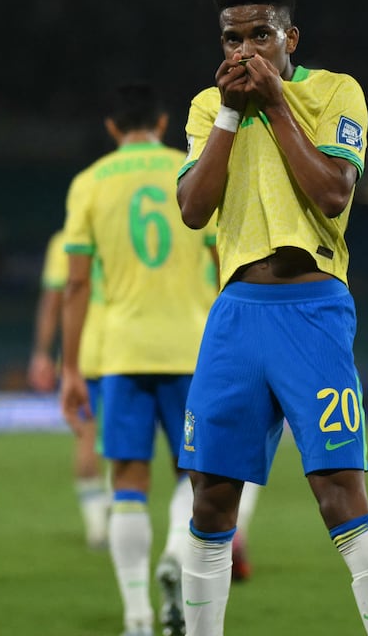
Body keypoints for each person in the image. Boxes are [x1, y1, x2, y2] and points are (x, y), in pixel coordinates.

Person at [175, 0, 368, 636]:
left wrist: (275, 103)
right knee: (211, 498)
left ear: (290, 38)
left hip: (313, 312)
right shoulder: (205, 108)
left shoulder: (336, 92)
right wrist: (230, 111)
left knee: (340, 495)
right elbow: (194, 209)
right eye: (230, 40)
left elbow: (334, 193)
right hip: (235, 316)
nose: (243, 52)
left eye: (259, 35)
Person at [60, 83, 218, 636]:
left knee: (126, 478)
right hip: (193, 351)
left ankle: (136, 617)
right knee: (195, 474)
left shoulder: (89, 184)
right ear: (163, 120)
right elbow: (227, 260)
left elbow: (76, 285)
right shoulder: (192, 167)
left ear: (111, 127)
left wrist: (71, 369)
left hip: (122, 351)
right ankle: (176, 553)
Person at [30, 230, 110, 549]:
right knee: (128, 444)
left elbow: (53, 300)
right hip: (129, 353)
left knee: (86, 441)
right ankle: (118, 514)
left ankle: (97, 528)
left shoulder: (64, 241)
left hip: (81, 356)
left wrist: (41, 353)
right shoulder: (123, 231)